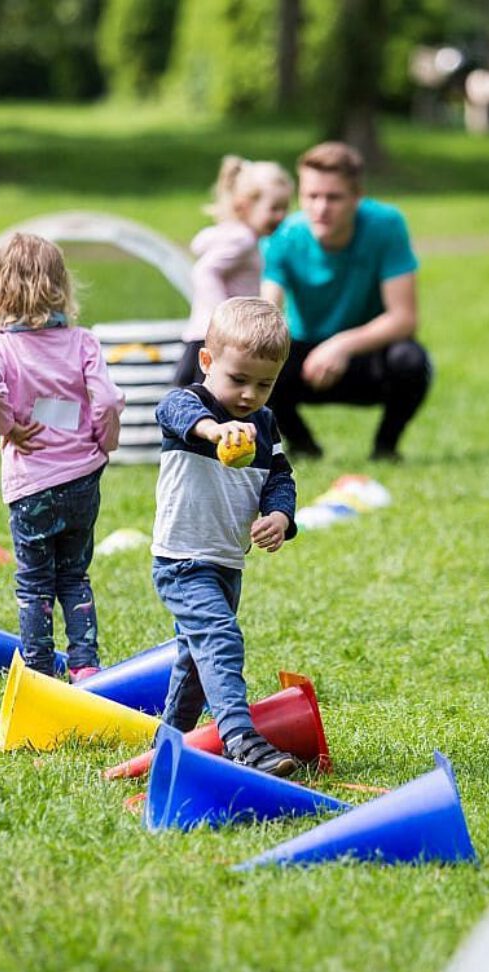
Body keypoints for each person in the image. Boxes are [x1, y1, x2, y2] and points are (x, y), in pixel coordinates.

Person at [152, 296, 302, 777]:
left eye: (265, 384)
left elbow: (280, 478)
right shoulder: (193, 405)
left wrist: (279, 517)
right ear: (207, 361)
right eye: (238, 379)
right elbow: (169, 410)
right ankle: (239, 737)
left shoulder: (264, 423)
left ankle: (168, 744)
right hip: (182, 561)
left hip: (226, 563)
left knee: (196, 662)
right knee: (220, 640)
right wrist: (215, 431)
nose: (248, 395)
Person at [0, 232, 126, 680]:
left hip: (31, 485)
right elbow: (109, 401)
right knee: (75, 576)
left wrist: (7, 427)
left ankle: (38, 671)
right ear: (61, 285)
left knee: (34, 583)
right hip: (83, 478)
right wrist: (104, 442)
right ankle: (85, 666)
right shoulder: (82, 342)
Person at [261, 141, 432, 462]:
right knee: (256, 361)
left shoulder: (386, 225)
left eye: (333, 197)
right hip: (302, 359)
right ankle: (303, 446)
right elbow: (265, 313)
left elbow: (404, 318)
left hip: (366, 357)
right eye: (311, 196)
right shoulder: (283, 236)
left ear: (357, 196)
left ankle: (386, 449)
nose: (320, 208)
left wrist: (341, 345)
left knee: (411, 360)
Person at [172, 155, 293, 387]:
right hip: (218, 340)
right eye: (274, 208)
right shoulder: (244, 239)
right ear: (243, 206)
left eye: (285, 208)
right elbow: (205, 272)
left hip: (202, 336)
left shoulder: (231, 233)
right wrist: (225, 320)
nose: (281, 216)